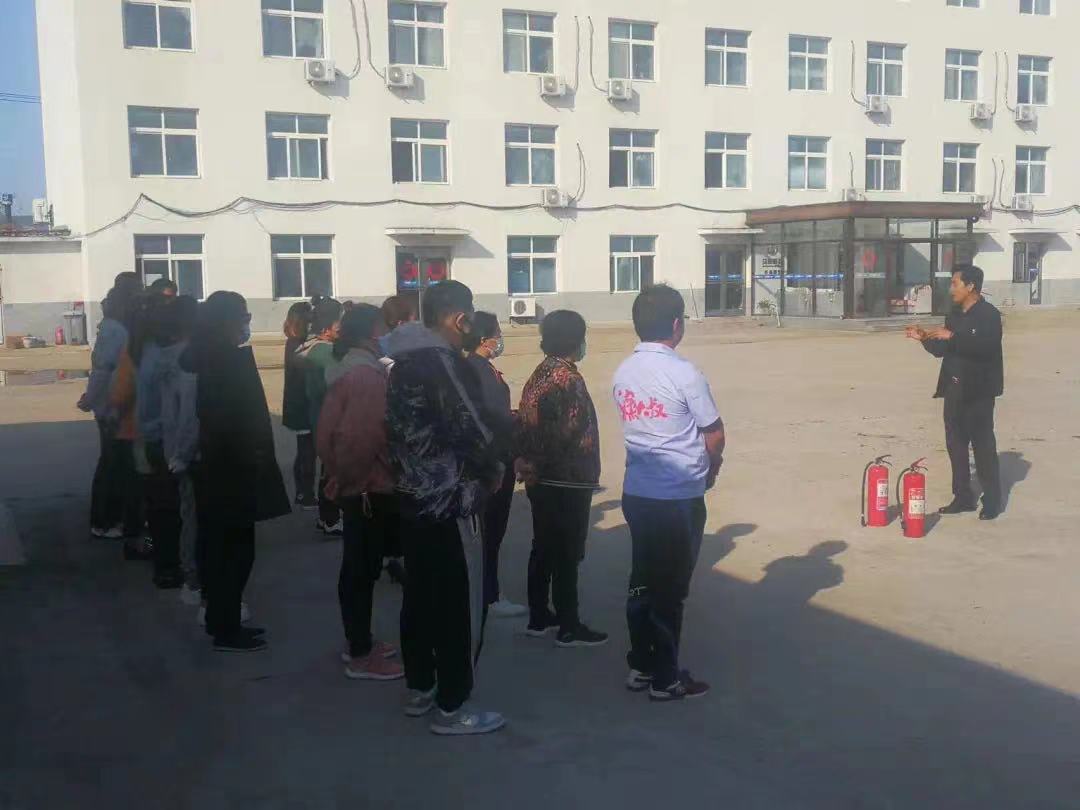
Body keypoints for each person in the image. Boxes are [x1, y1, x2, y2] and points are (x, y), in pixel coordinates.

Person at [385, 280, 506, 736]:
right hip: (450, 501)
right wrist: (495, 466)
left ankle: (421, 686)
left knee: (419, 596)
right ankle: (454, 705)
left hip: (413, 497)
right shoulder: (443, 362)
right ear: (460, 318)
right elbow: (472, 428)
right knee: (458, 603)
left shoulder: (401, 363)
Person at [612, 284, 724, 701]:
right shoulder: (684, 373)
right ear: (677, 325)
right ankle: (665, 678)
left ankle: (641, 665)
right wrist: (711, 469)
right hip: (676, 497)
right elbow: (714, 433)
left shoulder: (623, 371)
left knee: (642, 580)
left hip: (638, 494)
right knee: (670, 590)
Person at [180, 291, 290, 652]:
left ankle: (220, 619)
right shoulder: (221, 361)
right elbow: (228, 419)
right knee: (232, 552)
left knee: (221, 548)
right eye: (243, 317)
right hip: (229, 469)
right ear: (225, 321)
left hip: (218, 468)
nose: (246, 324)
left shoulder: (206, 356)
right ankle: (225, 627)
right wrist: (251, 456)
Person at [317, 304, 405, 681]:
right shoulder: (366, 377)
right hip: (368, 487)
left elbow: (330, 435)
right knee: (360, 570)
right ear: (371, 333)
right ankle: (361, 654)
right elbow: (358, 440)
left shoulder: (351, 368)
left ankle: (360, 640)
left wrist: (338, 476)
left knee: (359, 568)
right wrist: (351, 481)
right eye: (384, 327)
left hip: (358, 483)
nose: (388, 334)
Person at [515, 311, 606, 648]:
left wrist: (528, 462)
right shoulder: (568, 379)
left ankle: (539, 616)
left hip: (542, 479)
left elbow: (527, 423)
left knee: (543, 548)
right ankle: (569, 625)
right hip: (566, 480)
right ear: (574, 340)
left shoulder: (540, 372)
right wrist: (537, 463)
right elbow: (565, 431)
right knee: (567, 554)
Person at [906, 264, 1004, 520]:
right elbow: (943, 350)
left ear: (971, 286)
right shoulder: (955, 314)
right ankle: (962, 497)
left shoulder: (989, 315)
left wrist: (952, 337)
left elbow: (986, 348)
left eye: (955, 284)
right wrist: (924, 338)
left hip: (979, 392)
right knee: (956, 446)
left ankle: (992, 500)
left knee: (983, 446)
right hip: (954, 389)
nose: (951, 290)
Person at [463, 313, 527, 619]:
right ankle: (489, 594)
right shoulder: (478, 370)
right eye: (497, 333)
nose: (500, 339)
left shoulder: (477, 367)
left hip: (492, 461)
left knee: (488, 533)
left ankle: (484, 590)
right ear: (483, 339)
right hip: (494, 464)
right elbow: (492, 420)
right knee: (491, 532)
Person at [79, 272, 143, 541]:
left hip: (122, 404)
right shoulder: (115, 328)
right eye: (137, 291)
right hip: (112, 406)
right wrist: (93, 399)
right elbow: (103, 370)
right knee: (112, 463)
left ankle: (118, 517)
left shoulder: (121, 325)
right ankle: (104, 521)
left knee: (121, 463)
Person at [134, 294, 186, 588]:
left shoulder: (149, 351)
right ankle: (169, 565)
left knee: (159, 505)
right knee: (169, 507)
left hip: (154, 437)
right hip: (166, 440)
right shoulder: (174, 357)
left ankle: (165, 561)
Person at [158, 295, 202, 606]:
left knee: (187, 513)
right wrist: (183, 455)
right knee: (194, 517)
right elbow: (189, 416)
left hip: (175, 448)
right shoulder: (187, 360)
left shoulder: (166, 357)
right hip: (190, 454)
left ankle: (191, 572)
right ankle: (193, 579)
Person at [298, 296, 345, 536]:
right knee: (333, 471)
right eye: (340, 322)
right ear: (327, 328)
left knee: (329, 468)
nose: (343, 327)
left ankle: (327, 516)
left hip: (322, 417)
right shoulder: (324, 352)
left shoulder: (312, 346)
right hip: (331, 419)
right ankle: (330, 517)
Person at [282, 302, 316, 509]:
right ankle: (305, 493)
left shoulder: (295, 342)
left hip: (299, 405)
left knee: (305, 450)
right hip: (302, 406)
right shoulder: (298, 345)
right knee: (307, 452)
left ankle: (302, 492)